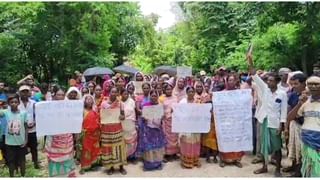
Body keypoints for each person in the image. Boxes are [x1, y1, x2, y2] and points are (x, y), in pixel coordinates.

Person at [247, 55, 288, 177]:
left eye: (271, 80)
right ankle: (264, 167)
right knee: (264, 146)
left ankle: (278, 169)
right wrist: (250, 60)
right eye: (268, 80)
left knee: (277, 147)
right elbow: (254, 74)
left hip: (275, 123)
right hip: (264, 120)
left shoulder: (282, 94)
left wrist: (282, 125)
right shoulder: (264, 89)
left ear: (277, 82)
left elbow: (284, 111)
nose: (268, 82)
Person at [287, 76, 320, 177]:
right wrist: (299, 104)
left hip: (318, 141)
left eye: (316, 84)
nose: (313, 86)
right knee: (308, 169)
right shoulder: (305, 102)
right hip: (306, 141)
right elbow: (290, 117)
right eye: (310, 84)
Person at [45, 88, 76, 177]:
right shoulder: (50, 106)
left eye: (62, 95)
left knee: (67, 155)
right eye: (59, 95)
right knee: (54, 156)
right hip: (54, 136)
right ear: (55, 96)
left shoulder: (68, 106)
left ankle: (68, 174)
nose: (61, 96)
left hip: (66, 135)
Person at [219, 74, 245, 168]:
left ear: (235, 81)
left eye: (232, 80)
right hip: (225, 120)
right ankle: (223, 159)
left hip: (236, 120)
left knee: (236, 139)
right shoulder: (222, 93)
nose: (231, 82)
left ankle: (236, 159)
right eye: (229, 80)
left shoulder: (240, 93)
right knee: (225, 138)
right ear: (226, 81)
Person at [283, 73, 306, 177]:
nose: (294, 86)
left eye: (296, 84)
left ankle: (299, 172)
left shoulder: (310, 96)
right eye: (292, 84)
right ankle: (293, 166)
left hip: (305, 126)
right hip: (294, 124)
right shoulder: (292, 95)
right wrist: (286, 127)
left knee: (301, 150)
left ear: (304, 84)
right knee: (292, 148)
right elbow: (288, 111)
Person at [100, 87, 127, 175]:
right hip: (106, 129)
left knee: (119, 147)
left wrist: (122, 117)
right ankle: (110, 167)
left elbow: (123, 116)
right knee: (108, 148)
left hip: (117, 128)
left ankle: (121, 166)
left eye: (116, 92)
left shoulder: (120, 104)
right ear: (109, 93)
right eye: (112, 92)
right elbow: (101, 116)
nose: (114, 94)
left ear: (118, 94)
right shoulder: (104, 104)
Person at [0, 94, 28, 177]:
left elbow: (26, 128)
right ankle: (11, 176)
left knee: (22, 161)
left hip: (21, 142)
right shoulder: (5, 112)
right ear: (8, 103)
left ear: (19, 103)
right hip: (9, 143)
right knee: (11, 161)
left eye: (16, 102)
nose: (14, 104)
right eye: (11, 102)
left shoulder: (23, 113)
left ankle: (23, 176)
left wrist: (26, 140)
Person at [138, 89, 166, 171]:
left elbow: (162, 117)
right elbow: (143, 118)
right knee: (149, 147)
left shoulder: (160, 105)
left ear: (157, 96)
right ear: (150, 96)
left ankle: (158, 163)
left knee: (157, 146)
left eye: (155, 95)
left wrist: (161, 117)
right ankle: (148, 164)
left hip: (157, 129)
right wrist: (144, 117)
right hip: (148, 129)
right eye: (152, 96)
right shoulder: (146, 105)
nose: (154, 97)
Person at [179, 86, 201, 168]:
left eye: (192, 91)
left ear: (194, 93)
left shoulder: (198, 101)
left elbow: (201, 113)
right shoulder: (183, 102)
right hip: (186, 126)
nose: (191, 93)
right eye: (189, 91)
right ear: (187, 93)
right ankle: (186, 162)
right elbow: (179, 112)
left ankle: (195, 160)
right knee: (187, 143)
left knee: (195, 142)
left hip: (195, 126)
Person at [18, 85, 39, 169]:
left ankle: (35, 162)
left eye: (26, 91)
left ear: (29, 92)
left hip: (33, 129)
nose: (25, 93)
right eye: (23, 91)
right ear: (19, 93)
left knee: (34, 147)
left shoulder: (34, 103)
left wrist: (35, 122)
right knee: (22, 147)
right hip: (21, 130)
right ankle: (22, 163)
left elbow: (38, 115)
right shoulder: (16, 103)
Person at [79, 95, 101, 174]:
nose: (89, 101)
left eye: (91, 100)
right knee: (85, 150)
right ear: (84, 101)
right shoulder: (82, 111)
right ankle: (84, 166)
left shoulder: (95, 110)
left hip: (95, 134)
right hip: (86, 134)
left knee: (94, 149)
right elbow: (79, 122)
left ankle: (92, 164)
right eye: (87, 100)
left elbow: (98, 120)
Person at [160, 80, 179, 162]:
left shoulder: (175, 97)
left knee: (174, 137)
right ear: (164, 90)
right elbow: (160, 109)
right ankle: (168, 154)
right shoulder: (161, 98)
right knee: (167, 138)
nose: (169, 91)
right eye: (167, 89)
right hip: (166, 120)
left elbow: (178, 107)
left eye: (170, 89)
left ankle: (174, 153)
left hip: (174, 120)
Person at [121, 89, 138, 164]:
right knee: (124, 141)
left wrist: (136, 122)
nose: (126, 95)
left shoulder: (132, 101)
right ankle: (125, 157)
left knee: (133, 140)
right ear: (121, 94)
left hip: (131, 123)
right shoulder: (119, 103)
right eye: (124, 94)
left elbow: (135, 111)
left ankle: (132, 157)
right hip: (123, 124)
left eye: (127, 94)